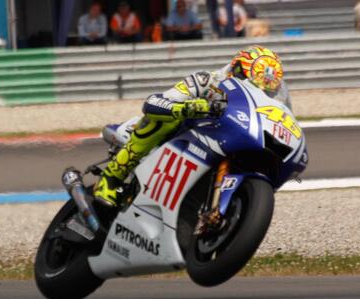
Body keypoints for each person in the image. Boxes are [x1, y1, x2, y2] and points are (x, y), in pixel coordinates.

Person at [94, 45, 285, 206]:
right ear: (237, 71)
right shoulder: (207, 81)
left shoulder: (261, 106)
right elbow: (153, 102)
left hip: (214, 146)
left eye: (267, 91)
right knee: (167, 121)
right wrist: (188, 108)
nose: (260, 93)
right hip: (171, 140)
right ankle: (111, 178)